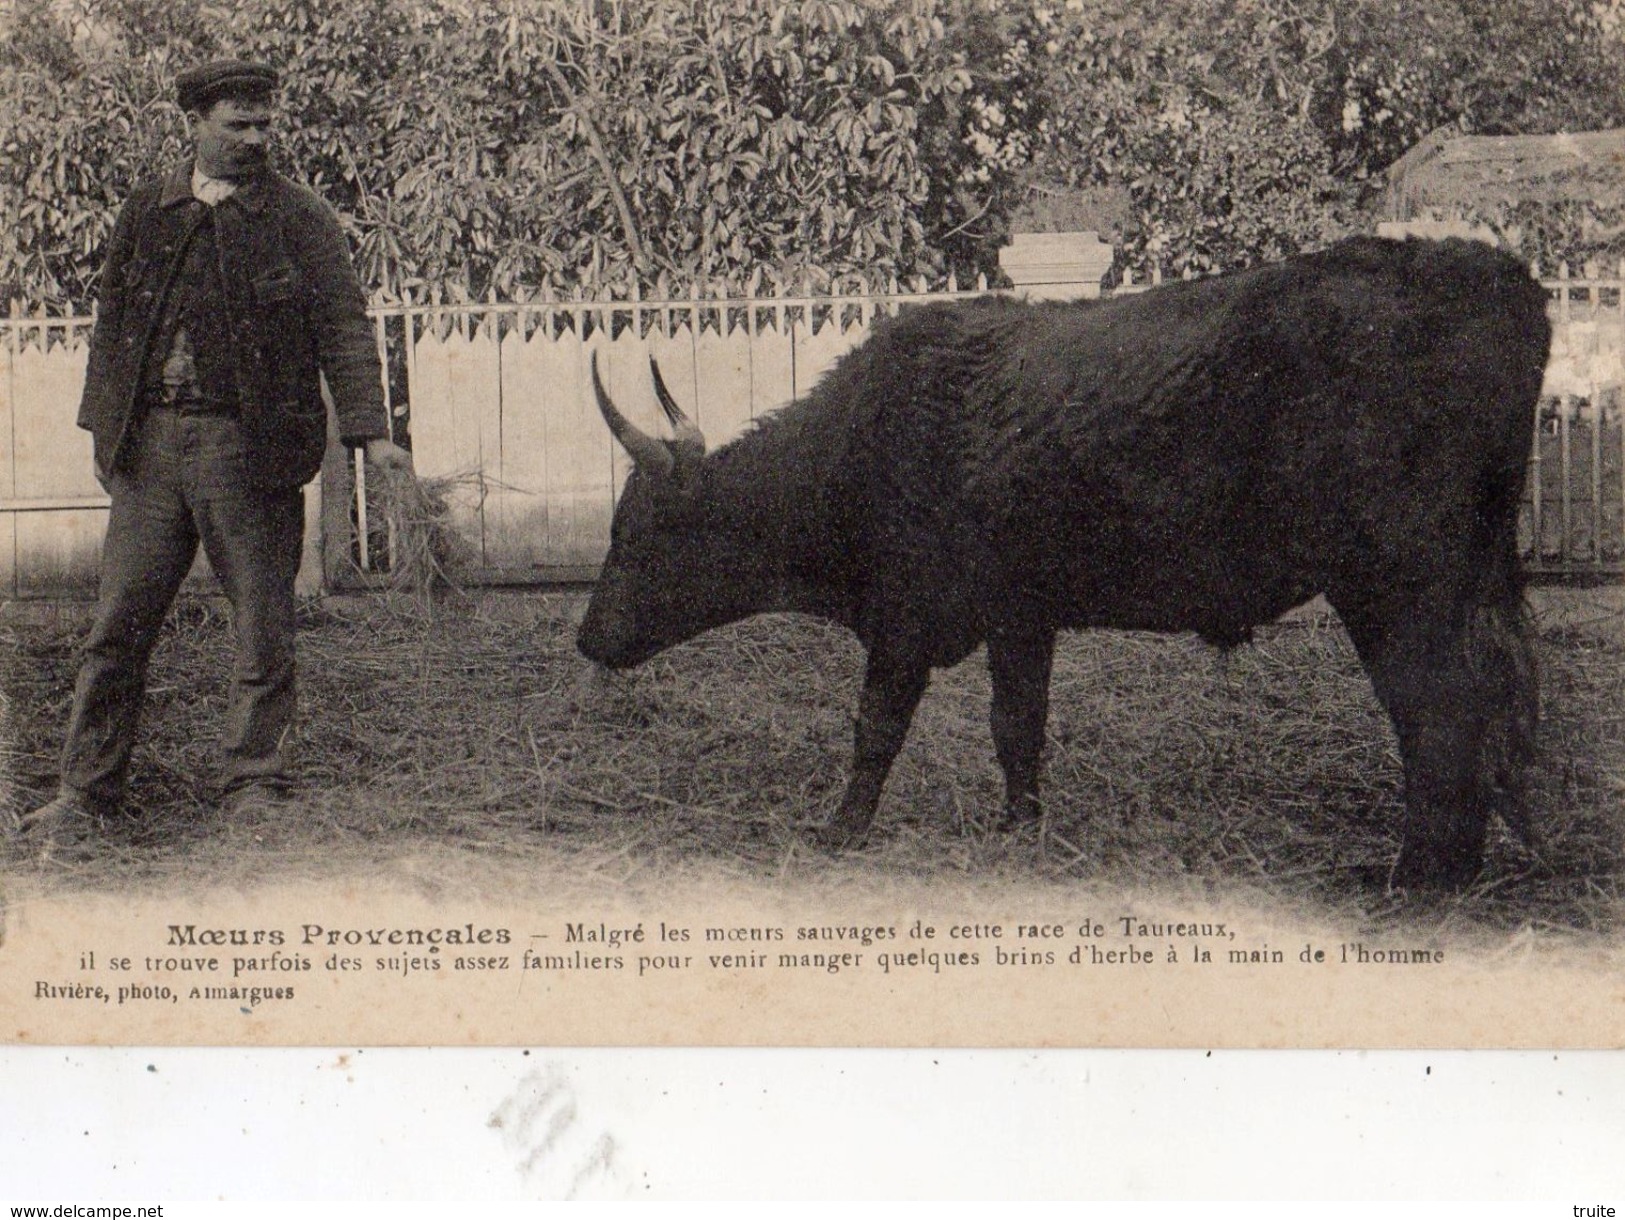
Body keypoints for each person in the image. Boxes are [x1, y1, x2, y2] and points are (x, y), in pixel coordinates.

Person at [18, 58, 412, 859]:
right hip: (151, 450)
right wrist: (105, 433)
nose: (256, 139)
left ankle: (254, 784)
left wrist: (370, 430)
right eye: (239, 125)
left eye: (266, 124)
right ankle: (86, 794)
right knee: (116, 626)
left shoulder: (299, 218)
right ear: (196, 123)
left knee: (263, 625)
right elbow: (112, 323)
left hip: (252, 448)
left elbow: (343, 325)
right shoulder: (148, 210)